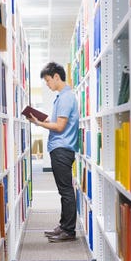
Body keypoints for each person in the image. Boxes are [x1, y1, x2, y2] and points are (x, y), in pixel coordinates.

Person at [28, 62, 79, 242]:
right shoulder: (62, 97)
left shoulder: (66, 98)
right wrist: (41, 118)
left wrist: (39, 124)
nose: (48, 85)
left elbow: (59, 126)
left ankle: (69, 231)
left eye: (48, 81)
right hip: (61, 149)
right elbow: (57, 121)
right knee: (63, 190)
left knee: (65, 191)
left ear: (57, 76)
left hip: (62, 149)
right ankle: (64, 226)